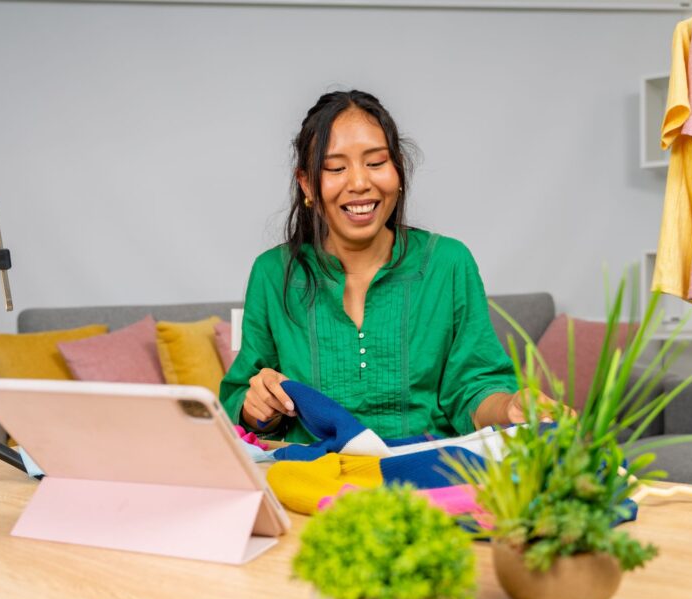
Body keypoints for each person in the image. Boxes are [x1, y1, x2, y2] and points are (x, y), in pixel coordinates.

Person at [219, 90, 533, 444]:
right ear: (307, 183)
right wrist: (258, 408)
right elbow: (241, 405)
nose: (359, 183)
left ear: (398, 169)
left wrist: (510, 408)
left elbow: (474, 388)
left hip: (424, 477)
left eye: (376, 163)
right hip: (311, 480)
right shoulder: (272, 273)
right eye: (336, 168)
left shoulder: (449, 264)